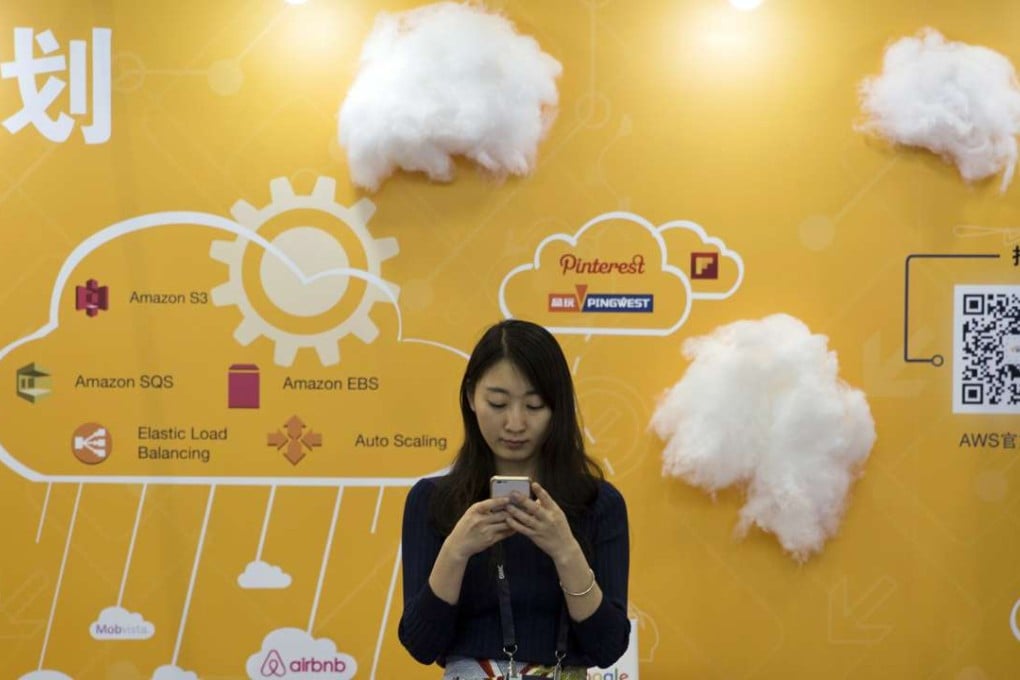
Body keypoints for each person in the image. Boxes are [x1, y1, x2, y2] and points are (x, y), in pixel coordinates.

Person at [399, 319, 630, 679]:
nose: (515, 423)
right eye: (498, 402)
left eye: (535, 405)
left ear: (559, 408)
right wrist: (456, 551)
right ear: (471, 397)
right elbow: (421, 644)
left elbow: (609, 646)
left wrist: (565, 550)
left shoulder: (598, 503)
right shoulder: (432, 500)